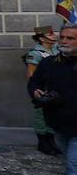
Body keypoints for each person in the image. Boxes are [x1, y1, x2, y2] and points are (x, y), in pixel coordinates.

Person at [28, 23, 77, 175]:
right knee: (70, 165)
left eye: (70, 38)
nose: (64, 41)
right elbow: (33, 83)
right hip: (60, 124)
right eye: (62, 37)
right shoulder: (49, 63)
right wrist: (36, 92)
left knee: (74, 167)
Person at [24, 25, 63, 156]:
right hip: (43, 89)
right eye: (50, 35)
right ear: (42, 38)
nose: (54, 36)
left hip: (56, 88)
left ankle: (51, 141)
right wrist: (36, 90)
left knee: (53, 115)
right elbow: (31, 74)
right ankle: (43, 142)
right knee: (41, 116)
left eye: (53, 34)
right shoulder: (36, 53)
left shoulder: (57, 50)